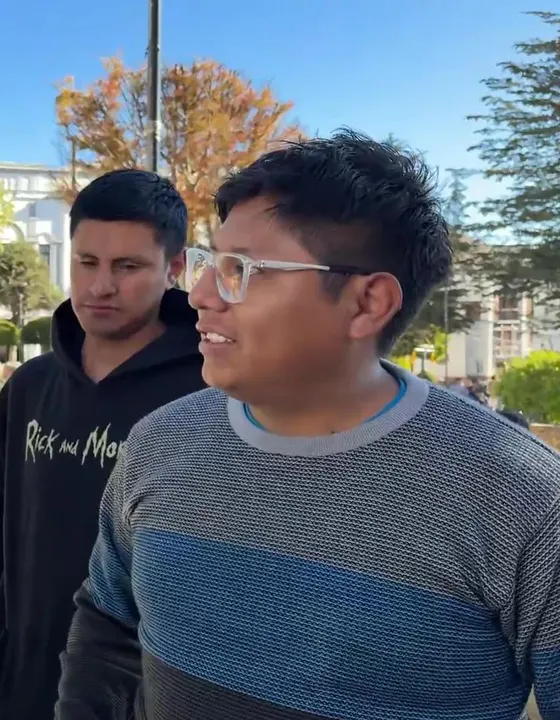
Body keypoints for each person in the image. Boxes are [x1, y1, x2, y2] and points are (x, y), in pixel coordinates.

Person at [56, 131, 560, 719]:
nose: (199, 295)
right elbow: (107, 627)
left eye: (241, 269)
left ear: (367, 303)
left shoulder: (520, 498)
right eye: (209, 263)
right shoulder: (159, 443)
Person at [0, 169, 207, 720]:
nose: (101, 286)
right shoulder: (30, 388)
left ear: (173, 268)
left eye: (128, 266)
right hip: (24, 693)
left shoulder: (207, 395)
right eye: (87, 262)